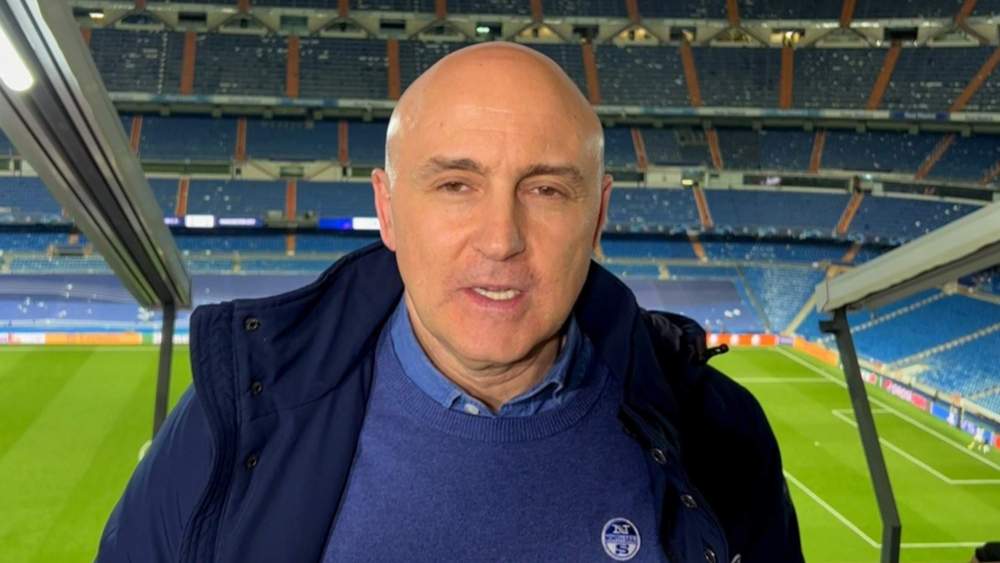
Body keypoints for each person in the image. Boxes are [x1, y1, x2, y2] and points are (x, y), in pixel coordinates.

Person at [97, 42, 803, 562]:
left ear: (596, 217)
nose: (501, 239)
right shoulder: (240, 417)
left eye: (546, 190)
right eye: (456, 185)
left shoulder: (718, 437)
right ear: (388, 210)